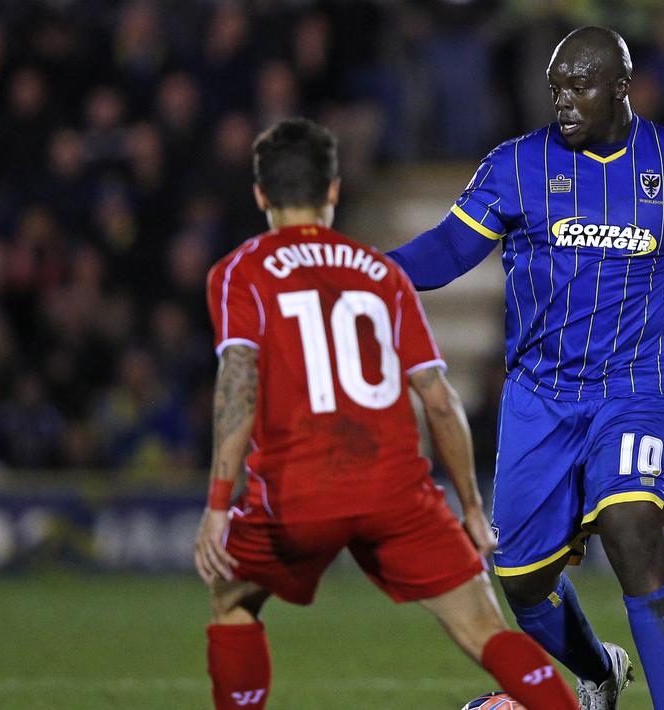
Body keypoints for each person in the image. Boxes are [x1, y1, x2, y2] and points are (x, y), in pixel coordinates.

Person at [387, 26, 664, 710]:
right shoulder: (515, 166)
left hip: (637, 390)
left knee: (632, 530)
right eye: (555, 87)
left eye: (579, 86)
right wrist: (367, 272)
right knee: (523, 580)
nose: (563, 100)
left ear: (621, 87)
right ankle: (597, 670)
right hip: (540, 396)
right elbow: (446, 250)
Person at [193, 118, 577, 710]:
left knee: (231, 598)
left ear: (261, 195)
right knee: (485, 629)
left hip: (298, 492)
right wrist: (473, 509)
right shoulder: (382, 274)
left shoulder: (239, 272)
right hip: (395, 491)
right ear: (333, 192)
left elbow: (239, 380)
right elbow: (439, 400)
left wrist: (219, 505)